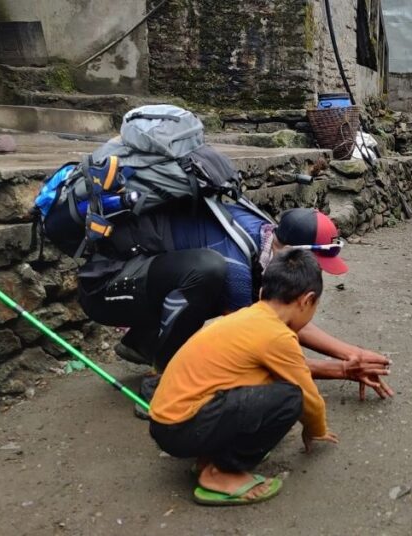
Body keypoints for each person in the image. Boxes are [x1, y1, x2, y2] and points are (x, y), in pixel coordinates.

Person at [77, 203, 394, 413]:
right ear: (296, 256)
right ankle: (162, 387)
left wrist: (352, 353)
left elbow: (276, 316)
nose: (317, 275)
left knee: (212, 287)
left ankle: (141, 343)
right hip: (105, 289)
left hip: (140, 280)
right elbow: (256, 348)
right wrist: (342, 370)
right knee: (208, 276)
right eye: (318, 266)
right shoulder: (237, 267)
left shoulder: (264, 237)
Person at [150, 249, 337, 506]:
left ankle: (210, 458)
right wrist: (317, 429)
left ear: (262, 293)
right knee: (290, 398)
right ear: (307, 300)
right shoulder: (277, 336)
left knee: (266, 382)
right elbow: (309, 397)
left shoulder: (247, 317)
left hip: (167, 421)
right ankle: (222, 473)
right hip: (182, 427)